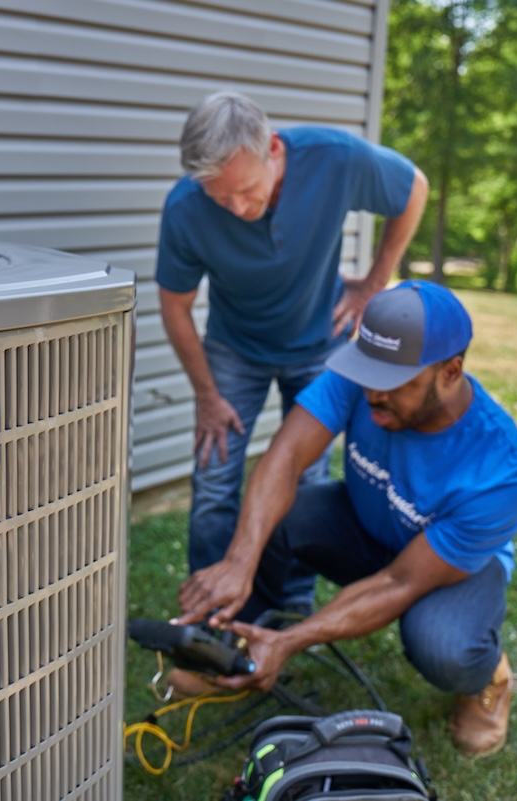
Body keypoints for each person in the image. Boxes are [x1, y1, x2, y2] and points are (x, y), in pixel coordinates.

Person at [172, 280, 517, 756]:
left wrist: (294, 640)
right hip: (368, 526)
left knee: (443, 645)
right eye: (366, 373)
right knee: (277, 517)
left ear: (451, 372)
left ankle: (486, 676)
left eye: (392, 384)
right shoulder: (365, 378)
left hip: (443, 571)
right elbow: (283, 460)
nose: (372, 393)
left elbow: (399, 583)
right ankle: (244, 652)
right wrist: (239, 562)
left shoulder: (504, 472)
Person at [156, 90, 429, 616]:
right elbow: (175, 308)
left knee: (305, 478)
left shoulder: (336, 158)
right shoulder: (186, 208)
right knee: (214, 477)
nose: (236, 209)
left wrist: (375, 282)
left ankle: (292, 603)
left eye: (245, 191)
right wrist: (207, 395)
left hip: (319, 347)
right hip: (235, 350)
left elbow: (413, 188)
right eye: (221, 199)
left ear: (274, 150)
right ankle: (210, 609)